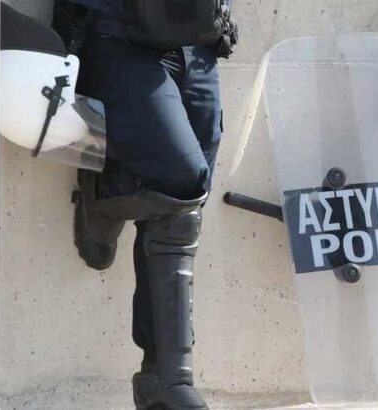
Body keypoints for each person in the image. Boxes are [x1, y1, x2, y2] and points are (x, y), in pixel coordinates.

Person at [57, 1, 237, 409]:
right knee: (184, 178)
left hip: (197, 42)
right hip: (119, 36)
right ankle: (103, 197)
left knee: (185, 202)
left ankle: (159, 376)